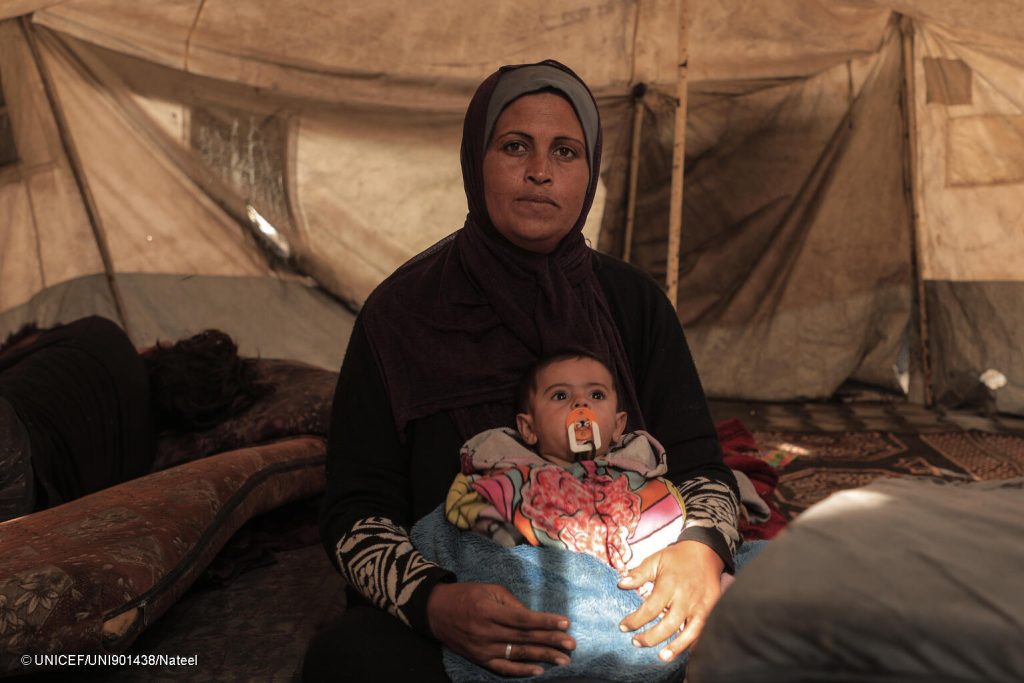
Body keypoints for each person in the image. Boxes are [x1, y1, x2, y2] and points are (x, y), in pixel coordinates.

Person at [305, 59, 744, 682]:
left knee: (786, 628)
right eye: (516, 146)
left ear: (590, 173)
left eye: (566, 151)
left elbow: (701, 467)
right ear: (474, 161)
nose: (541, 171)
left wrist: (698, 551)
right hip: (468, 605)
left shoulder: (632, 303)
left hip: (627, 599)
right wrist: (434, 602)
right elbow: (355, 509)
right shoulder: (400, 312)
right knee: (349, 660)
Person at [0, 315, 267, 522]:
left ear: (162, 349)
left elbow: (12, 352)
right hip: (24, 505)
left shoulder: (102, 335)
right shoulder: (140, 461)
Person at [441, 350, 686, 574]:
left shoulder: (636, 472)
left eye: (596, 394)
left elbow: (666, 523)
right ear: (528, 428)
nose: (581, 403)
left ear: (618, 425)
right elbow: (470, 516)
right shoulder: (506, 474)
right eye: (561, 395)